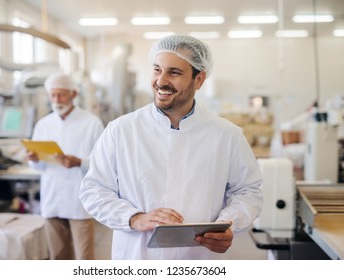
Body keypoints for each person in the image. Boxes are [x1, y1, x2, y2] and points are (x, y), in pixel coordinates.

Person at [79, 35, 263, 260]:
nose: (161, 81)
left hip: (199, 257)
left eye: (174, 72)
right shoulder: (121, 131)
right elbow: (93, 189)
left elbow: (248, 191)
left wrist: (227, 224)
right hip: (137, 257)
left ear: (199, 80)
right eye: (157, 70)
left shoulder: (226, 134)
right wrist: (134, 218)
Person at [26, 73, 104, 260]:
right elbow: (37, 167)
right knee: (58, 256)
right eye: (53, 95)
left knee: (84, 258)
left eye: (61, 95)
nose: (56, 100)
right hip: (52, 198)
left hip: (79, 200)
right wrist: (34, 159)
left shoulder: (91, 123)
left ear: (73, 94)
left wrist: (79, 162)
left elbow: (104, 163)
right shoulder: (43, 124)